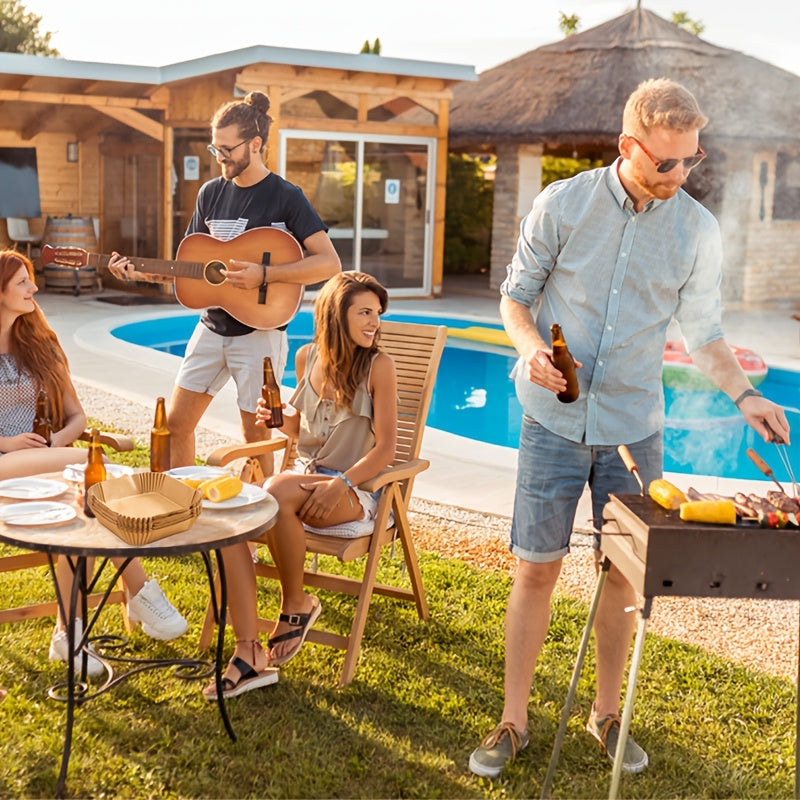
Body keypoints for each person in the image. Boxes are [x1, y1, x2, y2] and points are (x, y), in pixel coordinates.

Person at [468, 78, 791, 779]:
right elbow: (516, 300)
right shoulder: (564, 203)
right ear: (629, 147)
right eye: (666, 163)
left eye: (692, 161)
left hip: (633, 429)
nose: (681, 175)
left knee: (621, 579)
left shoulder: (695, 232)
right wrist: (530, 352)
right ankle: (513, 720)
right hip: (550, 421)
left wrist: (745, 397)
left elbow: (704, 336)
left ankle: (605, 714)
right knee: (534, 569)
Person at [108, 90, 341, 471]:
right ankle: (182, 510)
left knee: (256, 438)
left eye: (227, 149)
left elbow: (329, 263)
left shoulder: (287, 197)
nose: (219, 157)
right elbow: (191, 267)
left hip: (260, 333)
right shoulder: (210, 193)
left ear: (255, 143)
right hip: (211, 329)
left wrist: (265, 275)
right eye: (214, 148)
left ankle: (270, 521)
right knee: (176, 426)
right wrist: (142, 274)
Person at [201, 271, 396, 699]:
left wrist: (341, 483)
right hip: (306, 483)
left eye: (377, 314)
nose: (374, 322)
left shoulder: (378, 366)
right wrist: (276, 420)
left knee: (275, 491)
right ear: (336, 314)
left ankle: (296, 604)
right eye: (364, 312)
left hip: (356, 492)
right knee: (234, 526)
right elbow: (299, 426)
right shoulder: (309, 357)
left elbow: (386, 451)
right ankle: (247, 650)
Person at [0, 251, 188, 678]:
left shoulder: (41, 344)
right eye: (22, 284)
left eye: (31, 280)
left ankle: (69, 634)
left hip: (43, 463)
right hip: (6, 461)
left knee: (78, 511)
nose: (34, 288)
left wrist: (59, 439)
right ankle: (141, 592)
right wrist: (9, 442)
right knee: (92, 470)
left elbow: (78, 417)